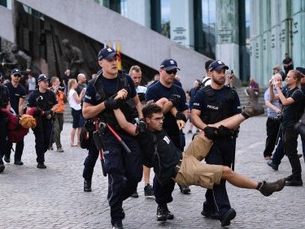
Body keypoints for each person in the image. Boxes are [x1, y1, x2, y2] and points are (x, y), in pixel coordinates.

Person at [112, 98, 283, 226]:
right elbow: (124, 124)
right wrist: (113, 104)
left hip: (185, 156)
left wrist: (175, 113)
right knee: (225, 171)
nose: (161, 121)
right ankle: (262, 187)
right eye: (157, 119)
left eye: (161, 117)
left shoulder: (156, 123)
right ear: (148, 120)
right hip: (181, 170)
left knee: (208, 130)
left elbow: (164, 101)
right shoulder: (143, 132)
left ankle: (246, 113)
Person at [82, 47, 143, 229]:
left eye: (115, 58)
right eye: (109, 60)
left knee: (134, 177)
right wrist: (106, 104)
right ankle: (116, 217)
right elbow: (86, 112)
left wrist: (140, 120)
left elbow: (137, 101)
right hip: (108, 132)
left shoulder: (126, 79)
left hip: (128, 129)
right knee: (115, 174)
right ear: (101, 62)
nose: (114, 62)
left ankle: (114, 199)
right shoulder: (94, 85)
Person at [191, 60, 246, 225]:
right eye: (218, 71)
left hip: (227, 141)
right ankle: (224, 211)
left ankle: (208, 206)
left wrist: (233, 128)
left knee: (219, 175)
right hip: (210, 142)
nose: (222, 74)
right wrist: (205, 128)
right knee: (219, 174)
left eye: (224, 71)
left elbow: (238, 117)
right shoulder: (201, 93)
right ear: (210, 73)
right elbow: (194, 115)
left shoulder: (231, 94)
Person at [145, 58, 191, 195]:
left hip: (176, 133)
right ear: (161, 71)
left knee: (178, 162)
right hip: (159, 135)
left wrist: (183, 117)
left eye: (174, 71)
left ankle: (181, 182)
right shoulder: (152, 90)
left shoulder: (179, 90)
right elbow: (152, 115)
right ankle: (161, 204)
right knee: (161, 168)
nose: (172, 74)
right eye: (169, 71)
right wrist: (170, 104)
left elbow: (185, 110)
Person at [272, 69, 304, 186]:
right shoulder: (288, 90)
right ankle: (295, 174)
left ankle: (297, 178)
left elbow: (285, 102)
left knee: (292, 152)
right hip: (285, 125)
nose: (286, 78)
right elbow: (273, 98)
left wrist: (278, 88)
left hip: (292, 127)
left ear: (295, 80)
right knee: (288, 151)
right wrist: (273, 87)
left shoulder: (298, 93)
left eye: (289, 77)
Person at [129, 65, 153, 197]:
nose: (137, 80)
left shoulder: (144, 90)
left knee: (146, 156)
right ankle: (133, 186)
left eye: (139, 77)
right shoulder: (125, 90)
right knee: (133, 157)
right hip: (130, 126)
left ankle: (147, 184)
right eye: (134, 78)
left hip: (143, 126)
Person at [27, 74, 58, 169]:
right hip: (38, 121)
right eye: (44, 82)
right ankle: (40, 161)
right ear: (39, 83)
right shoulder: (33, 95)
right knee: (40, 140)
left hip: (48, 119)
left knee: (48, 139)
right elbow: (29, 107)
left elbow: (56, 105)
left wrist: (51, 111)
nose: (46, 83)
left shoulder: (51, 93)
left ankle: (41, 152)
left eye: (47, 81)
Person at [4, 68, 27, 165]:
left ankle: (18, 159)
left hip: (17, 115)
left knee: (20, 138)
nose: (17, 77)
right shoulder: (6, 87)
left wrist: (20, 116)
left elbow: (21, 104)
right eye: (15, 75)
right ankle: (7, 154)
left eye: (19, 76)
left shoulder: (21, 89)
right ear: (11, 76)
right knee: (8, 137)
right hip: (7, 114)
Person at [262, 74, 282, 160]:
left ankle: (289, 152)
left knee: (285, 137)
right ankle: (267, 154)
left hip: (281, 118)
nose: (279, 81)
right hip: (273, 118)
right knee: (271, 137)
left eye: (280, 80)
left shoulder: (282, 90)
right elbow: (268, 102)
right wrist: (276, 109)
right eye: (277, 80)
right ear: (273, 81)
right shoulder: (269, 91)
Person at [50, 76, 66, 152]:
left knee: (60, 129)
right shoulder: (49, 91)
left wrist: (64, 93)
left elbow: (65, 101)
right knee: (56, 129)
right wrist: (54, 91)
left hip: (61, 112)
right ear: (53, 83)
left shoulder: (60, 91)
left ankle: (50, 142)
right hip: (54, 113)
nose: (59, 82)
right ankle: (59, 146)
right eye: (58, 81)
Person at [68, 78, 85, 147]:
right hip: (76, 110)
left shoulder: (70, 91)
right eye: (76, 83)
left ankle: (78, 141)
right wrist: (81, 94)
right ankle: (73, 142)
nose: (77, 84)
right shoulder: (73, 92)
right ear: (73, 84)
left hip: (75, 109)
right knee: (75, 126)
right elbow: (78, 101)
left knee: (79, 126)